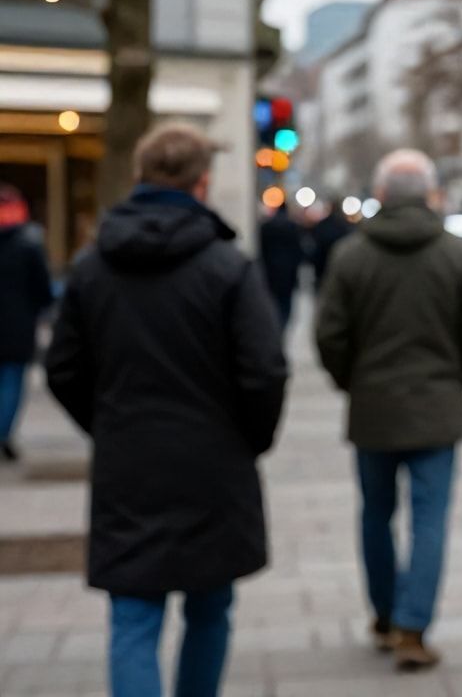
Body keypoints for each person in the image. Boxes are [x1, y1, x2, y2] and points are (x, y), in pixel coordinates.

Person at [45, 125, 289, 697]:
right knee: (209, 608)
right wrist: (247, 438)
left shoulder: (91, 267)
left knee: (133, 616)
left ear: (139, 177)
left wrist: (106, 422)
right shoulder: (226, 267)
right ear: (201, 184)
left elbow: (63, 369)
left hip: (129, 461)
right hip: (213, 462)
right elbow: (265, 370)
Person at [314, 150, 462, 672]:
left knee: (375, 515)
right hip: (437, 408)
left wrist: (352, 381)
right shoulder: (456, 255)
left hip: (372, 407)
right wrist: (455, 379)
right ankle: (414, 628)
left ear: (381, 196)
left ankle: (384, 614)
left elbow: (329, 334)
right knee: (430, 518)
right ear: (430, 194)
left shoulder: (352, 256)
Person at [0, 184, 54, 461]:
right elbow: (42, 288)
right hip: (17, 325)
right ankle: (3, 434)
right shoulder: (28, 244)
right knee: (11, 382)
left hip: (16, 323)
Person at [257, 203, 305, 331]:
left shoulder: (266, 226)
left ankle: (275, 326)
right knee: (286, 304)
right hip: (288, 274)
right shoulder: (293, 227)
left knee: (273, 303)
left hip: (271, 272)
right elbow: (298, 252)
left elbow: (262, 251)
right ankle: (282, 326)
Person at [306, 196, 353, 287]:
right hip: (340, 271)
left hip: (323, 271)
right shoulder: (346, 227)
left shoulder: (322, 226)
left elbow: (316, 249)